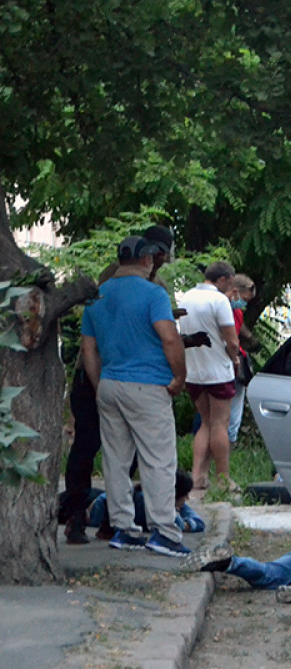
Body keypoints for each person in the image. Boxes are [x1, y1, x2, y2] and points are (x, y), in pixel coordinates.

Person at [80, 235, 190, 557]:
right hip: (147, 387)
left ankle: (123, 529)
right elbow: (169, 338)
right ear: (146, 260)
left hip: (110, 385)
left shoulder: (97, 296)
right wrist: (180, 376)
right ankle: (165, 532)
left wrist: (99, 383)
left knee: (115, 461)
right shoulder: (153, 293)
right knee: (158, 461)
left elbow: (89, 348)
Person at [179, 261, 241, 495]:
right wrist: (234, 357)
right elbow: (232, 340)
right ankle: (223, 477)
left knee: (205, 421)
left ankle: (197, 476)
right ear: (223, 280)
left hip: (193, 369)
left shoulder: (186, 297)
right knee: (219, 424)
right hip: (217, 369)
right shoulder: (219, 301)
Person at [226, 273, 257, 445]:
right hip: (231, 361)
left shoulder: (236, 310)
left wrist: (251, 338)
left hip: (236, 361)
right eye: (244, 299)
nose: (244, 303)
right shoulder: (223, 309)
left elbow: (239, 328)